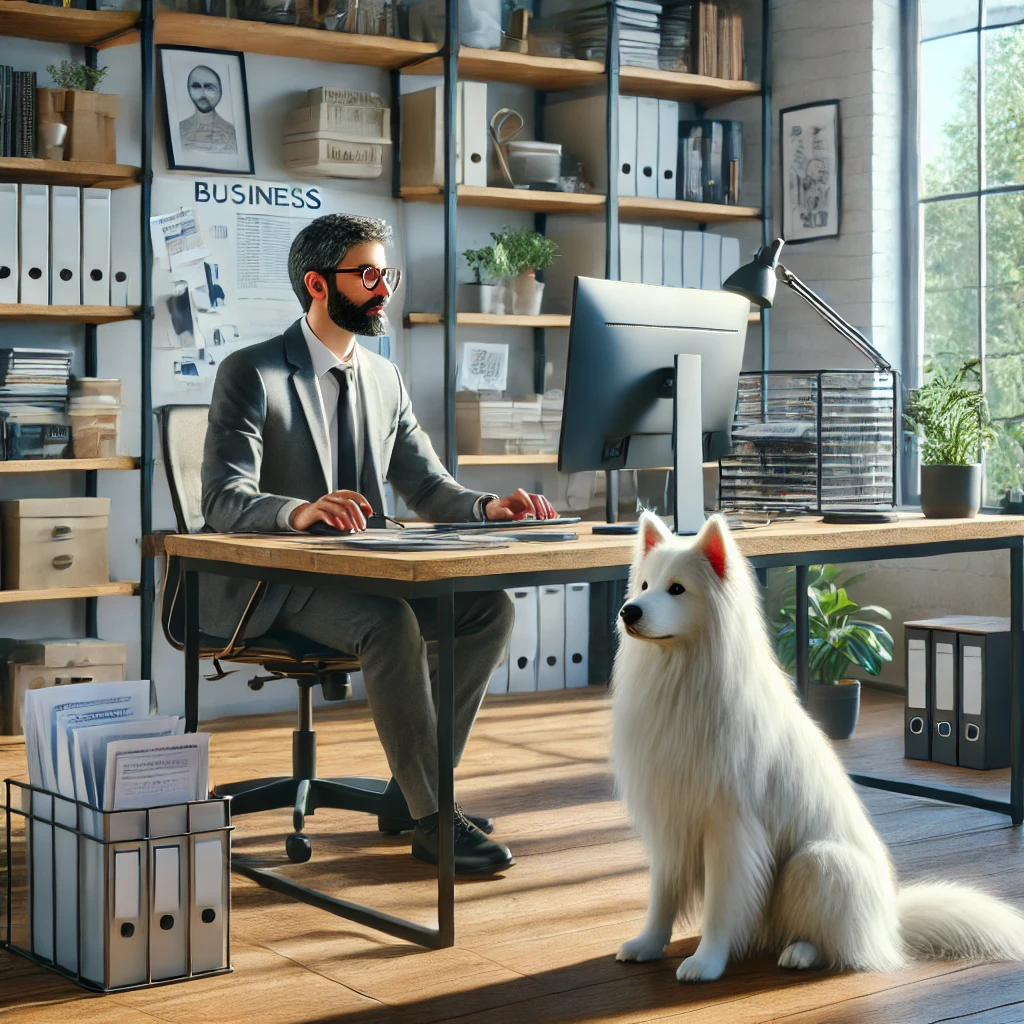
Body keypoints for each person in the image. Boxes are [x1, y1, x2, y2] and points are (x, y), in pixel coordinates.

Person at [201, 214, 558, 875]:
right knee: (389, 622)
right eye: (367, 274)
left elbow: (425, 485)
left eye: (385, 273)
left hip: (364, 572)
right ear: (317, 283)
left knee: (489, 608)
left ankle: (409, 796)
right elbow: (222, 499)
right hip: (275, 587)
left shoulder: (383, 379)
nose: (383, 288)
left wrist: (486, 506)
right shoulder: (250, 372)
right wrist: (301, 511)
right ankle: (432, 818)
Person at [179, 65, 237, 155]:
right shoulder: (180, 129)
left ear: (220, 91)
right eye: (196, 87)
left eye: (209, 88)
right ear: (188, 89)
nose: (202, 94)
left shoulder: (230, 133)